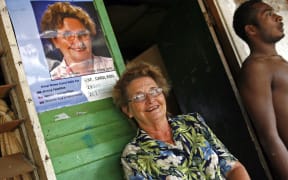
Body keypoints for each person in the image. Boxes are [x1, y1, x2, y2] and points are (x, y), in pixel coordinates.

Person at [112, 61, 250, 179]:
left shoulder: (193, 123)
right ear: (128, 110)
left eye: (154, 91)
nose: (150, 100)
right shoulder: (133, 156)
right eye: (139, 97)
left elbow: (233, 167)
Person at [233, 1, 288, 179]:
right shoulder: (256, 68)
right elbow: (269, 137)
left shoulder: (279, 62)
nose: (278, 17)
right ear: (251, 30)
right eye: (268, 14)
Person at [40, 2, 115, 80]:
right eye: (68, 36)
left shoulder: (113, 65)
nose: (79, 42)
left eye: (83, 34)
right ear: (56, 42)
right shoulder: (52, 79)